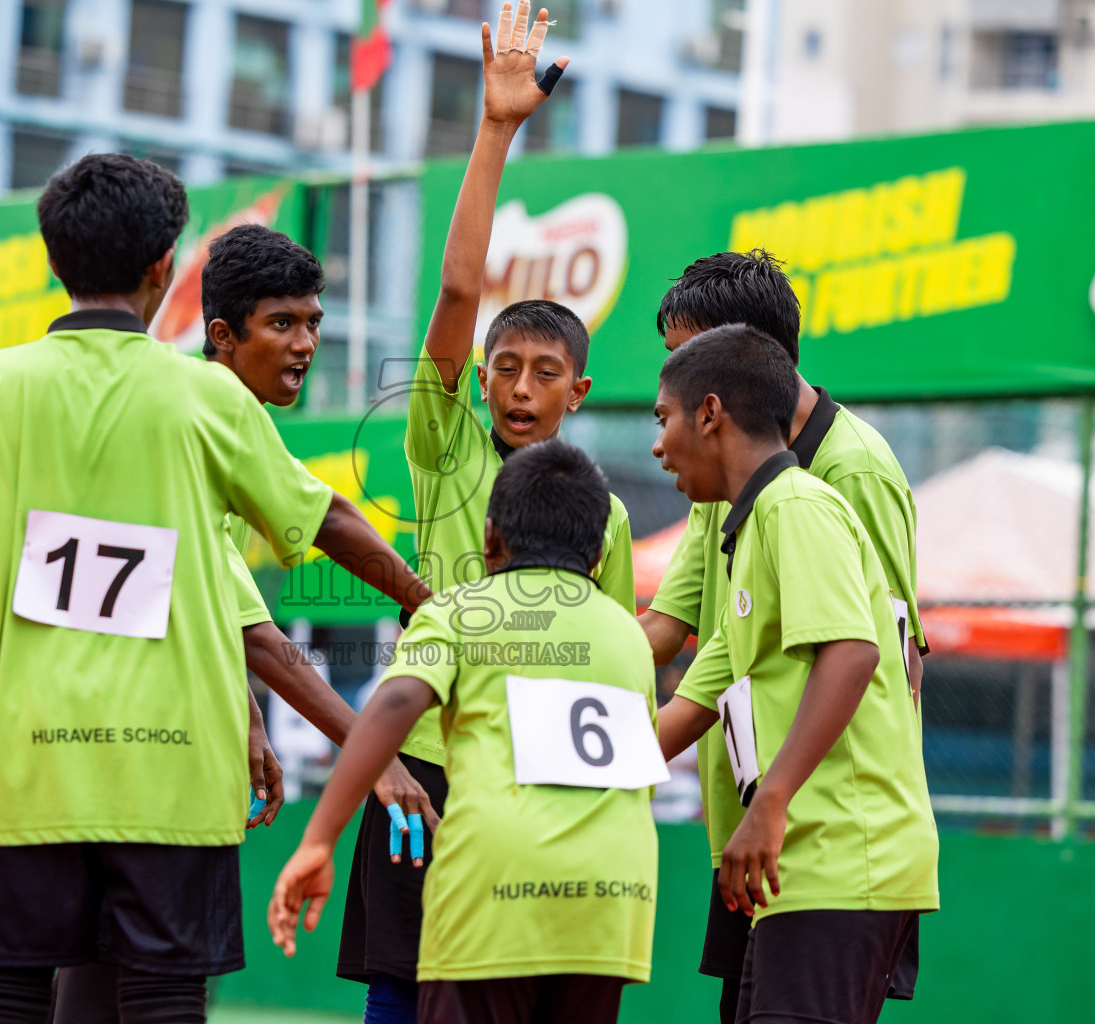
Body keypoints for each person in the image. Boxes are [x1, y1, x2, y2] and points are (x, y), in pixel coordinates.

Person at [0, 153, 428, 1024]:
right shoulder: (205, 399)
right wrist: (421, 598)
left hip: (28, 769)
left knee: (4, 996)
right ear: (162, 270)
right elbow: (323, 517)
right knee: (163, 1001)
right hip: (171, 777)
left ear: (55, 262)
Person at [49, 223, 438, 1024]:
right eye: (283, 324)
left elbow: (205, 611)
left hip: (77, 747)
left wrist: (246, 717)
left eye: (315, 323)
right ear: (222, 337)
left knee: (86, 979)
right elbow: (283, 587)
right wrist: (376, 749)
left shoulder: (184, 413)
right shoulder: (211, 409)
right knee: (150, 989)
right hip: (148, 766)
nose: (305, 343)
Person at [334, 7, 635, 1022]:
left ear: (577, 395)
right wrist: (495, 131)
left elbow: (619, 669)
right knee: (401, 988)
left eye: (544, 372)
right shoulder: (448, 448)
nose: (518, 386)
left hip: (538, 791)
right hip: (424, 768)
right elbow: (463, 284)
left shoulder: (601, 518)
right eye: (503, 367)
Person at [271, 439, 662, 1024]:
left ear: (490, 538)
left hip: (494, 891)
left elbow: (398, 698)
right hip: (615, 899)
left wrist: (320, 837)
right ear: (600, 554)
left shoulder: (459, 610)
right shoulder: (630, 636)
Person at [636, 250, 928, 1022]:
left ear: (721, 390)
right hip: (764, 836)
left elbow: (882, 655)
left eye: (679, 373)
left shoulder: (836, 480)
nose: (659, 431)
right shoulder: (731, 487)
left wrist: (784, 799)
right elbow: (690, 645)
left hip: (826, 837)